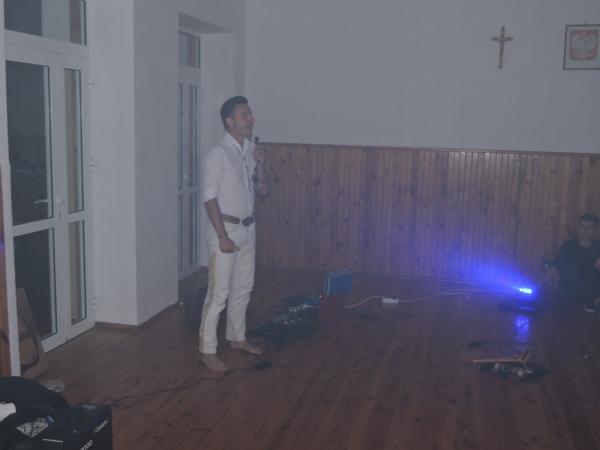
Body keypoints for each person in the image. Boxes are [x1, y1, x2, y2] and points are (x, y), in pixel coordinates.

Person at [199, 96, 269, 372]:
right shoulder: (217, 154)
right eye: (244, 115)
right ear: (230, 121)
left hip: (248, 228)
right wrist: (222, 236)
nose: (250, 119)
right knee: (219, 293)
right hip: (225, 230)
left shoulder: (249, 150)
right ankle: (207, 350)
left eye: (250, 115)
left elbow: (263, 190)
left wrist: (261, 164)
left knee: (244, 287)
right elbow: (209, 199)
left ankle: (237, 338)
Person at [554, 213, 600, 313]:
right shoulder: (569, 245)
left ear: (595, 230)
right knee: (569, 269)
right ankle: (591, 301)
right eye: (583, 227)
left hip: (592, 284)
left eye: (590, 228)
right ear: (579, 228)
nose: (585, 231)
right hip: (571, 287)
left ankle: (591, 301)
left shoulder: (598, 247)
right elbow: (558, 264)